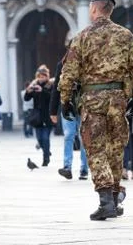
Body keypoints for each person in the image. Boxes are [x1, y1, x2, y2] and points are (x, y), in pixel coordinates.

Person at [59, 0, 133, 221]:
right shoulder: (125, 35)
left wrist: (65, 100)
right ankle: (116, 198)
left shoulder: (82, 37)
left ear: (94, 8)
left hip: (92, 100)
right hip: (118, 100)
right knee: (116, 150)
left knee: (96, 150)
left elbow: (69, 72)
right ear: (110, 10)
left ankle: (106, 201)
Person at [50, 45, 89, 180]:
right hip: (67, 106)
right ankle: (67, 167)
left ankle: (84, 169)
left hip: (85, 106)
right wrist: (53, 111)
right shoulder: (62, 64)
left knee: (84, 137)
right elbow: (56, 88)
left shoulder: (88, 64)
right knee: (68, 135)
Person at [25, 65, 54, 166]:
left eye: (43, 76)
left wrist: (42, 91)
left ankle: (46, 158)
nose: (41, 78)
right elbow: (26, 98)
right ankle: (46, 151)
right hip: (37, 117)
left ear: (47, 76)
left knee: (45, 137)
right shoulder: (34, 85)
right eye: (39, 76)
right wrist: (28, 91)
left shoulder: (50, 85)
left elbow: (52, 98)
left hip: (48, 116)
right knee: (39, 139)